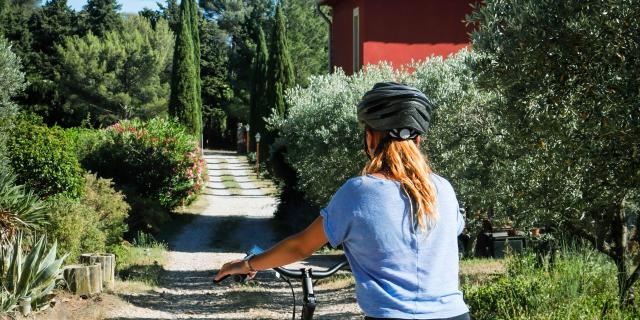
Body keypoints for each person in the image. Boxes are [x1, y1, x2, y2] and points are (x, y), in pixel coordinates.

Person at [215, 82, 470, 320]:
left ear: (370, 138)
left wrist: (246, 264)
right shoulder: (444, 189)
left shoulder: (359, 192)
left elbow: (300, 247)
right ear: (417, 141)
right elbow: (449, 230)